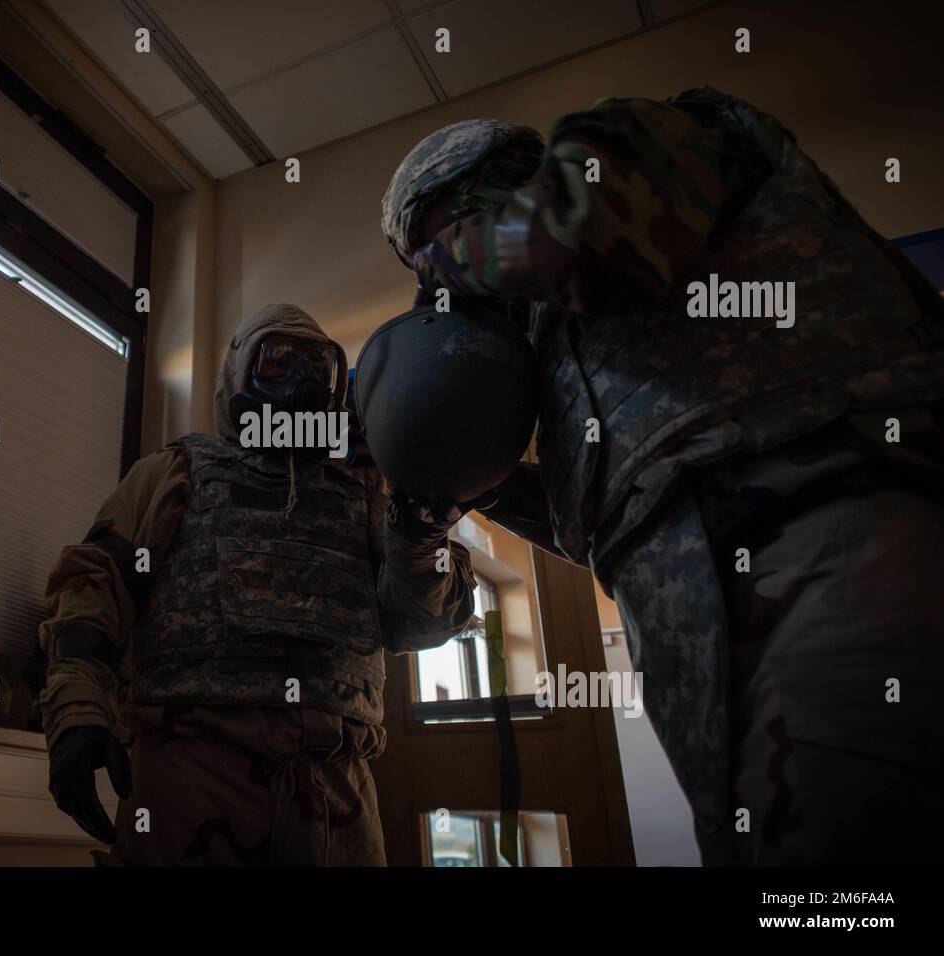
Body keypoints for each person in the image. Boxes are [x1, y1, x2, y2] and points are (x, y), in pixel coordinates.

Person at [379, 89, 944, 864]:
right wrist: (474, 486)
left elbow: (591, 222)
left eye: (430, 248)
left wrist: (449, 272)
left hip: (839, 547)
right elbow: (618, 516)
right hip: (716, 643)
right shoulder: (562, 351)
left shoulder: (652, 139)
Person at [40, 303, 475, 865]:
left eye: (318, 367)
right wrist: (76, 713)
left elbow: (421, 623)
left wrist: (420, 534)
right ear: (240, 371)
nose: (300, 379)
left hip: (336, 793)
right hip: (192, 777)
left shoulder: (367, 492)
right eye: (277, 361)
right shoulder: (176, 473)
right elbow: (90, 585)